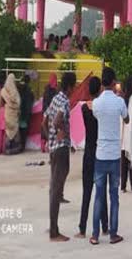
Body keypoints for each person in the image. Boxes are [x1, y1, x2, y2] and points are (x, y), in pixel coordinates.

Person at [90, 67, 129, 245]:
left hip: (100, 154)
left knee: (99, 196)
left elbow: (96, 116)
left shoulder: (97, 103)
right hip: (114, 154)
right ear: (113, 82)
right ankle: (113, 234)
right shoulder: (119, 102)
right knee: (114, 196)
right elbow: (126, 119)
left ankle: (95, 234)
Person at [42, 72, 76, 242]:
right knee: (56, 188)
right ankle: (54, 232)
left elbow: (45, 120)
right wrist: (60, 131)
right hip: (61, 148)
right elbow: (56, 120)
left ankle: (52, 226)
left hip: (54, 147)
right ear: (70, 86)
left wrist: (50, 138)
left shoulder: (55, 98)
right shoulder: (65, 102)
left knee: (54, 187)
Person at [76, 76, 108, 239]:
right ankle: (105, 226)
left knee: (86, 191)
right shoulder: (101, 109)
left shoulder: (84, 109)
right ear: (100, 89)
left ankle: (82, 228)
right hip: (100, 152)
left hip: (88, 152)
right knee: (101, 191)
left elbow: (87, 107)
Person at [0, 74, 21, 155]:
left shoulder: (3, 91)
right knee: (15, 130)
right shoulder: (15, 92)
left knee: (8, 131)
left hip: (8, 113)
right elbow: (18, 103)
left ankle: (7, 149)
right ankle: (15, 149)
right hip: (14, 114)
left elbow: (1, 103)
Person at [41, 73, 59, 152]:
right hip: (53, 113)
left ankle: (43, 146)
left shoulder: (46, 90)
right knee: (52, 129)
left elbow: (44, 102)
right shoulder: (55, 90)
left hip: (45, 112)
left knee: (44, 128)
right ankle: (50, 145)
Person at [18, 75, 34, 152]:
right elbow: (31, 100)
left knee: (19, 130)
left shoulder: (18, 88)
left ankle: (18, 145)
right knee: (24, 130)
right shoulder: (29, 90)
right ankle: (22, 146)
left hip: (19, 111)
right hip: (26, 112)